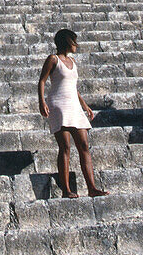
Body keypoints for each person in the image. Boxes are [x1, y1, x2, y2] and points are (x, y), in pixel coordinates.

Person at [37, 29, 108, 199]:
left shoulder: (73, 61)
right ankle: (66, 189)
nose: (76, 45)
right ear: (67, 42)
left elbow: (73, 88)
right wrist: (42, 102)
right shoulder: (53, 59)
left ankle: (92, 187)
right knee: (65, 147)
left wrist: (85, 106)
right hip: (58, 104)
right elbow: (42, 80)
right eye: (74, 41)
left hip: (73, 105)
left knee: (84, 146)